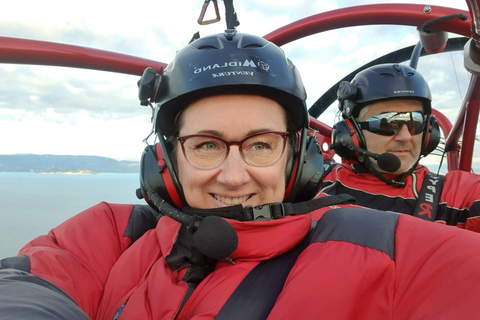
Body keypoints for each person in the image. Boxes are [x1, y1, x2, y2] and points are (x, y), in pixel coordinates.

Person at [2, 31, 480, 319]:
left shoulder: (382, 249)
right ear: (166, 160)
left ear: (300, 159)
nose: (233, 176)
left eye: (260, 144)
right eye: (206, 145)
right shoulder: (115, 233)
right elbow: (27, 289)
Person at [317, 63, 480, 231]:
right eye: (386, 122)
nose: (406, 137)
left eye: (415, 122)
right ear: (351, 132)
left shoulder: (456, 195)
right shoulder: (313, 177)